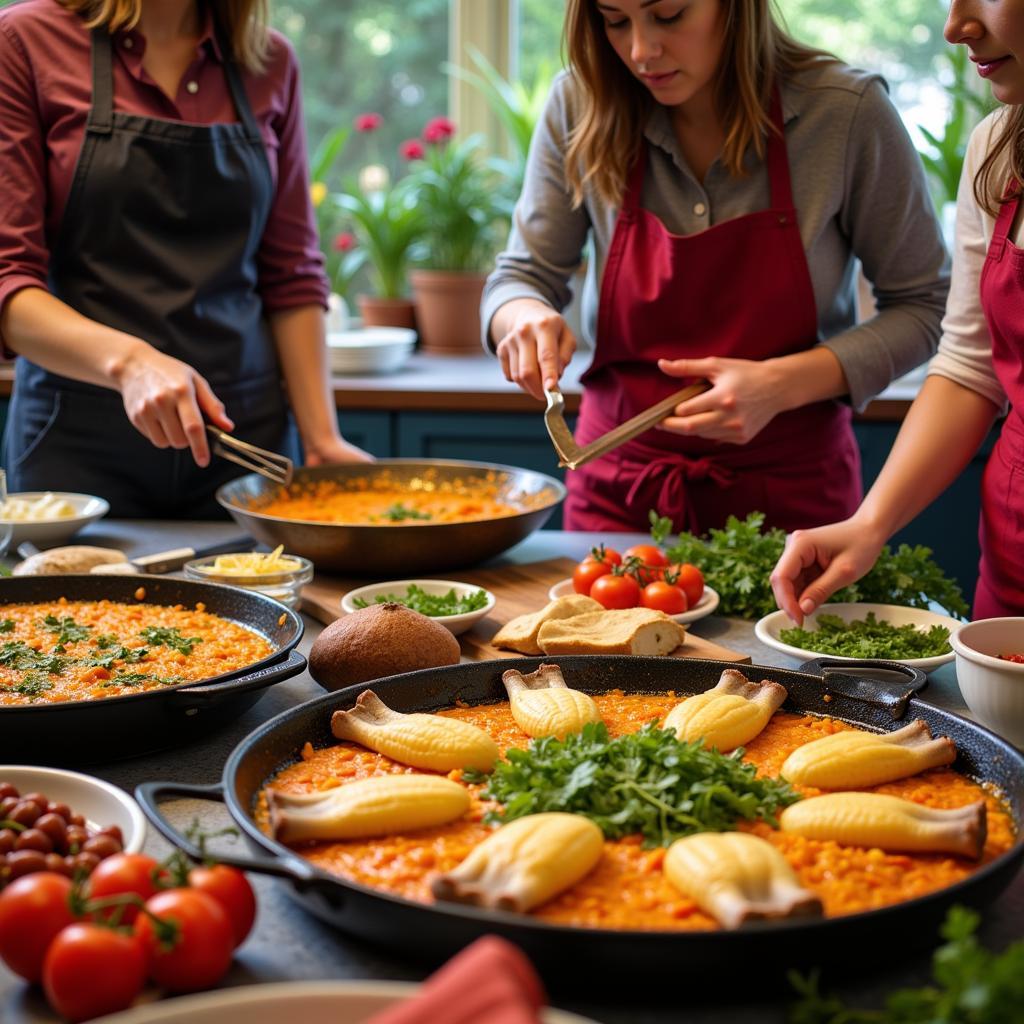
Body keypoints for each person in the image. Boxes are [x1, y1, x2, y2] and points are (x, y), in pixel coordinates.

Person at [483, 0, 949, 536]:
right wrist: (519, 316)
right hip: (619, 492)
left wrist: (780, 384)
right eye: (615, 21)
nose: (640, 50)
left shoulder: (846, 111)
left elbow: (926, 306)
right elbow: (521, 276)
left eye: (670, 14)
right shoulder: (579, 102)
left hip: (794, 501)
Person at [0, 0, 371, 518]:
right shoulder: (25, 41)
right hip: (77, 444)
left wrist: (322, 438)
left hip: (246, 444)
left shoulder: (269, 61)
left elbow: (292, 273)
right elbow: (8, 284)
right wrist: (133, 364)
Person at [771, 0, 1024, 623]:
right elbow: (970, 365)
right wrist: (870, 523)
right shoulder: (1000, 147)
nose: (955, 26)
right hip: (1014, 561)